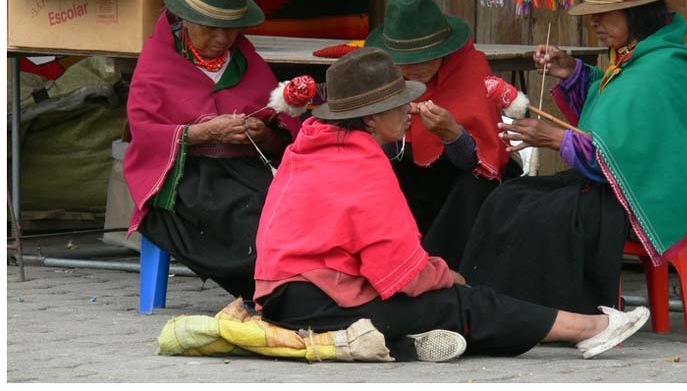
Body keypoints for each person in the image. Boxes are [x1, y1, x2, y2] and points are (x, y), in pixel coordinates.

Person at [254, 47, 649, 362]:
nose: (410, 109)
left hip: (282, 298)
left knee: (446, 298)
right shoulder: (361, 164)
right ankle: (591, 329)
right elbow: (401, 277)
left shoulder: (311, 145)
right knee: (464, 301)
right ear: (371, 118)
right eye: (399, 103)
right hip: (321, 304)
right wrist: (446, 276)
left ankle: (405, 342)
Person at [460, 0, 687, 315]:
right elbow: (613, 110)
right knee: (508, 197)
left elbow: (629, 151)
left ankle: (548, 314)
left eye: (603, 13)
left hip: (644, 195)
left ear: (636, 13)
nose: (594, 22)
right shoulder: (636, 57)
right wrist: (572, 71)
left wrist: (557, 139)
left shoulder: (662, 68)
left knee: (548, 214)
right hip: (612, 183)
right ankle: (495, 307)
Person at [124, 0, 300, 300]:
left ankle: (296, 287)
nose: (223, 38)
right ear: (186, 19)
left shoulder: (245, 60)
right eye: (210, 27)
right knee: (244, 216)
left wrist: (264, 134)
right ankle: (271, 293)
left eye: (232, 27)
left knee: (294, 209)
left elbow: (283, 127)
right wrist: (206, 133)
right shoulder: (158, 60)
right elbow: (144, 133)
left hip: (249, 167)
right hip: (187, 173)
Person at [364, 0, 517, 268]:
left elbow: (482, 162)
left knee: (474, 188)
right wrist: (390, 133)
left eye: (427, 57)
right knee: (380, 179)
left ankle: (437, 273)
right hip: (409, 179)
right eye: (406, 60)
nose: (416, 68)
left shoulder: (470, 68)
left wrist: (452, 135)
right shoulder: (383, 74)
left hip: (459, 182)